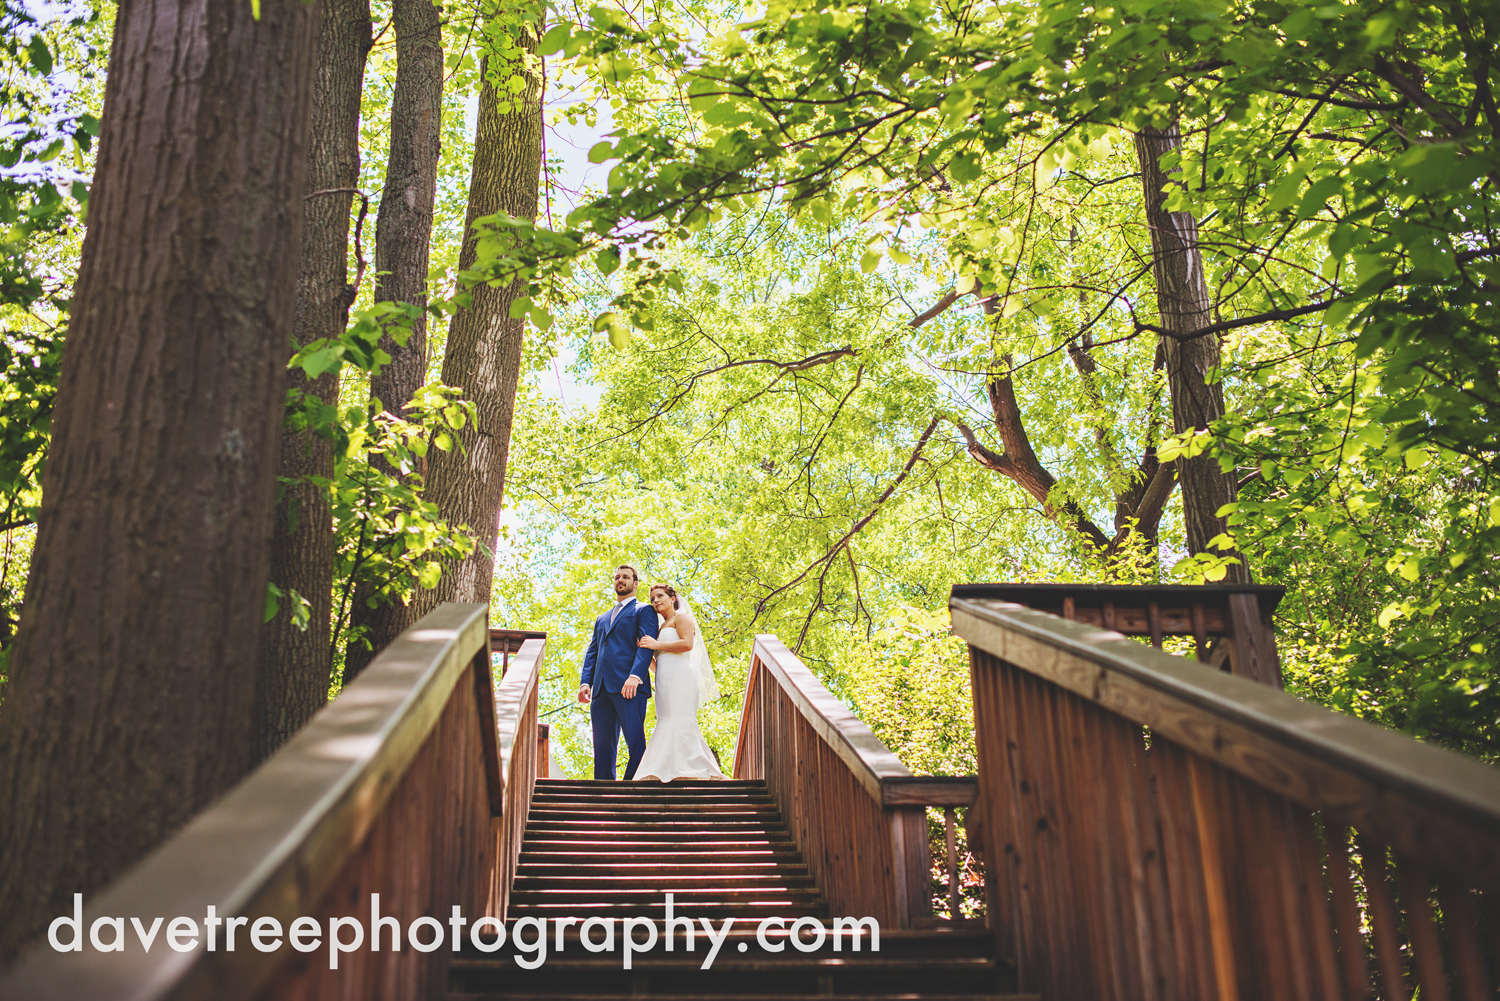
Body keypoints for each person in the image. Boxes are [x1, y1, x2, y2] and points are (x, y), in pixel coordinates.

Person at [633, 583, 726, 782]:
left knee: (680, 719)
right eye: (652, 599)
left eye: (659, 596)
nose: (655, 600)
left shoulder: (681, 618)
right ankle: (668, 769)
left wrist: (656, 644)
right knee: (666, 720)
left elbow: (687, 644)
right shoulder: (659, 628)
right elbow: (657, 664)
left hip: (681, 676)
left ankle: (691, 768)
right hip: (664, 678)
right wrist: (644, 649)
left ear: (672, 598)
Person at [578, 564, 658, 780]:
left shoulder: (644, 610)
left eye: (625, 577)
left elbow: (646, 646)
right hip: (600, 688)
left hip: (629, 686)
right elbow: (593, 651)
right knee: (602, 746)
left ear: (635, 583)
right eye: (617, 577)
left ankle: (632, 786)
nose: (620, 580)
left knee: (635, 741)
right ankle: (602, 791)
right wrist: (586, 682)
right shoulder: (601, 618)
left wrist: (635, 676)